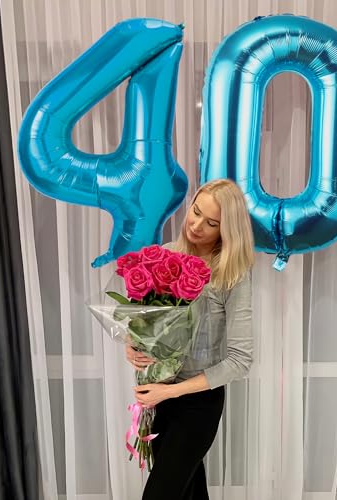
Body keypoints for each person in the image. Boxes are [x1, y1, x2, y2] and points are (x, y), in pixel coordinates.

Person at [125, 178, 255, 500]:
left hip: (198, 404)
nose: (196, 226)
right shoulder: (163, 258)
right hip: (160, 400)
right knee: (190, 492)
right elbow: (145, 323)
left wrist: (170, 391)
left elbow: (240, 360)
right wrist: (134, 345)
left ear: (227, 231)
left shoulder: (231, 275)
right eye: (195, 212)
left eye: (211, 223)